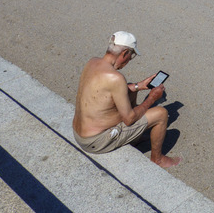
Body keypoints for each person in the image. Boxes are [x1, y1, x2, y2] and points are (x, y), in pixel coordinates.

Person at [73, 32, 181, 168]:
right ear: (124, 53)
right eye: (131, 56)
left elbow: (108, 90)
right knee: (161, 114)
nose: (130, 59)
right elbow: (129, 119)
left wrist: (139, 86)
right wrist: (152, 98)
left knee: (129, 90)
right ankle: (157, 159)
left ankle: (135, 136)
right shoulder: (116, 78)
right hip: (96, 141)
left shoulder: (93, 62)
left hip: (80, 134)